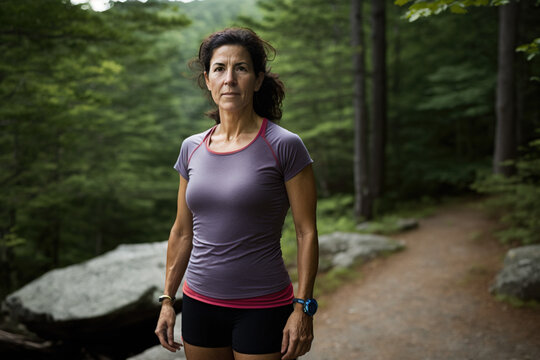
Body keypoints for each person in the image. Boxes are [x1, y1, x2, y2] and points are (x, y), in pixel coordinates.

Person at [154, 27, 319, 360]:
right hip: (200, 304)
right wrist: (168, 300)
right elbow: (182, 231)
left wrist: (303, 307)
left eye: (240, 68)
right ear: (208, 80)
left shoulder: (284, 145)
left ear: (257, 80)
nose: (229, 78)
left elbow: (306, 231)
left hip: (263, 306)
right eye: (220, 69)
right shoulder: (191, 148)